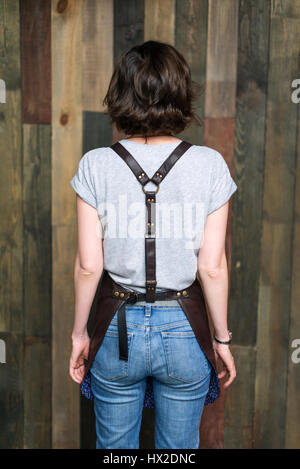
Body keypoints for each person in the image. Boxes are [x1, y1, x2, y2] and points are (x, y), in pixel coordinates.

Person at [69, 40, 237, 449]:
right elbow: (212, 266)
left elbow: (89, 266)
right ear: (179, 92)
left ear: (121, 93)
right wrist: (221, 339)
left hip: (115, 328)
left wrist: (79, 335)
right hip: (184, 328)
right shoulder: (210, 165)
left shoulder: (95, 164)